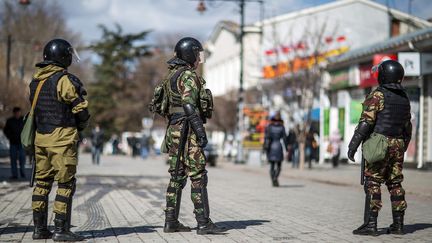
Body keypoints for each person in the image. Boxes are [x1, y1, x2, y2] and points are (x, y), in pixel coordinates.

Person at [161, 37, 224, 234]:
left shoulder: (171, 76)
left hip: (174, 129)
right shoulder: (188, 75)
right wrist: (200, 131)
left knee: (177, 176)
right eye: (197, 54)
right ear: (190, 55)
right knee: (198, 176)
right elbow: (189, 104)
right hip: (187, 130)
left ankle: (171, 221)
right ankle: (204, 223)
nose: (199, 58)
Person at [29, 39, 89, 241]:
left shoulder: (35, 81)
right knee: (65, 183)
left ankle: (39, 229)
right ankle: (61, 231)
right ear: (64, 56)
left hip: (41, 139)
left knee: (42, 183)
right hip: (62, 139)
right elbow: (81, 110)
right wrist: (80, 127)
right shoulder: (65, 80)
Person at [348, 60, 411, 236]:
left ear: (383, 75)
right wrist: (403, 145)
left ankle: (371, 224)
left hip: (379, 143)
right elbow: (408, 126)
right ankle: (399, 224)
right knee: (395, 183)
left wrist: (353, 145)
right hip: (398, 143)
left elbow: (365, 123)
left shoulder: (378, 95)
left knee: (373, 182)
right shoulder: (404, 98)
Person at [263, 112, 288, 187]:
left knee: (272, 165)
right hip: (278, 147)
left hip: (271, 147)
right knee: (279, 165)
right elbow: (284, 139)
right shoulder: (282, 127)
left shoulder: (269, 126)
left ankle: (273, 178)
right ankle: (275, 177)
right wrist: (286, 148)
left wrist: (265, 147)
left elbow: (266, 137)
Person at [3, 107, 26, 179]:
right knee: (13, 159)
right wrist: (10, 137)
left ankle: (23, 173)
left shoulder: (24, 120)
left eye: (18, 112)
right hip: (13, 143)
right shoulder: (10, 121)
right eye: (16, 113)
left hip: (21, 143)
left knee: (22, 159)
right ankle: (14, 175)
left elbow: (27, 130)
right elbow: (6, 130)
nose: (17, 114)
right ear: (14, 113)